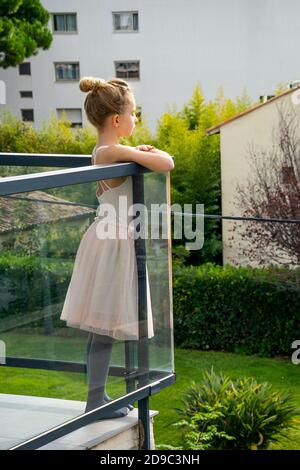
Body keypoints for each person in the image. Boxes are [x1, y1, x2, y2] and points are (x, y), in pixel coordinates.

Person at [60, 76, 175, 420]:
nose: (136, 120)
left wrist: (138, 152)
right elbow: (167, 162)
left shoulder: (106, 150)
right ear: (116, 120)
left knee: (106, 324)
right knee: (106, 323)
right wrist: (145, 152)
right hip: (113, 241)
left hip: (111, 237)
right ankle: (95, 399)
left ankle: (98, 396)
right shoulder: (110, 151)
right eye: (134, 113)